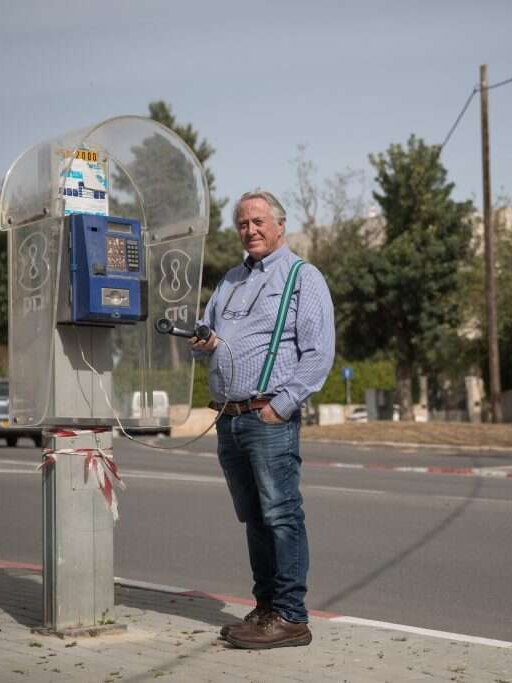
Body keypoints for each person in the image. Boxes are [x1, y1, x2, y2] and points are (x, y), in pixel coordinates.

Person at [191, 190, 335, 649]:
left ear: (279, 225)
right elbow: (210, 332)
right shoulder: (231, 280)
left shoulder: (303, 277)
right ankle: (267, 607)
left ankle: (291, 615)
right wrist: (201, 341)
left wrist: (282, 404)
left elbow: (318, 355)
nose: (249, 230)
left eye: (257, 221)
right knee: (253, 517)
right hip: (230, 419)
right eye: (242, 223)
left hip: (267, 415)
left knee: (281, 514)